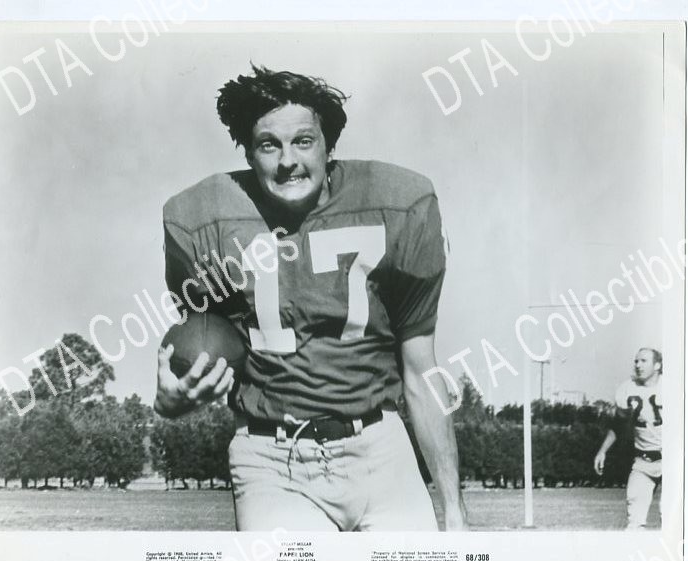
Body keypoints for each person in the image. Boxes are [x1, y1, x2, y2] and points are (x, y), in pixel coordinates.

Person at [154, 65, 467, 531]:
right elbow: (204, 341)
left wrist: (455, 511)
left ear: (328, 146)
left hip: (380, 449)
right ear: (248, 152)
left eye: (303, 141)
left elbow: (421, 371)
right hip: (272, 459)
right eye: (268, 145)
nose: (288, 161)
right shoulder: (202, 220)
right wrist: (171, 401)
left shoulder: (399, 204)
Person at [594, 348, 663, 529]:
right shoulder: (627, 388)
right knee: (634, 523)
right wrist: (602, 451)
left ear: (657, 365)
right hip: (643, 461)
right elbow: (618, 424)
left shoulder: (672, 386)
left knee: (673, 518)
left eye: (643, 361)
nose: (638, 365)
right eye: (636, 361)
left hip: (673, 460)